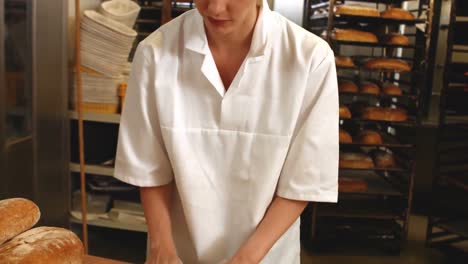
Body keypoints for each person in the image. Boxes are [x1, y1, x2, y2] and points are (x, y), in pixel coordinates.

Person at [114, 0, 338, 263]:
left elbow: (303, 180)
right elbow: (149, 167)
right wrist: (162, 248)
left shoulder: (310, 58)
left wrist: (245, 258)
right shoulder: (155, 52)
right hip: (178, 253)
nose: (215, 8)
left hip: (266, 254)